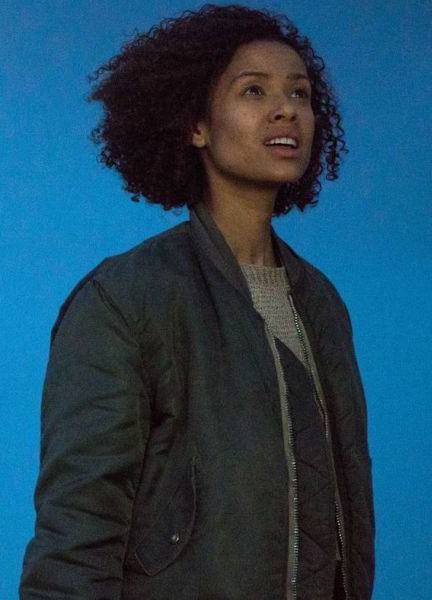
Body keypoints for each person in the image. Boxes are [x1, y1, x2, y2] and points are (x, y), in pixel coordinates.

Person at [19, 5, 374, 599]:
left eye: (301, 93)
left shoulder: (322, 304)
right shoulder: (127, 298)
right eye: (254, 90)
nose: (286, 109)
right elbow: (78, 530)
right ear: (196, 126)